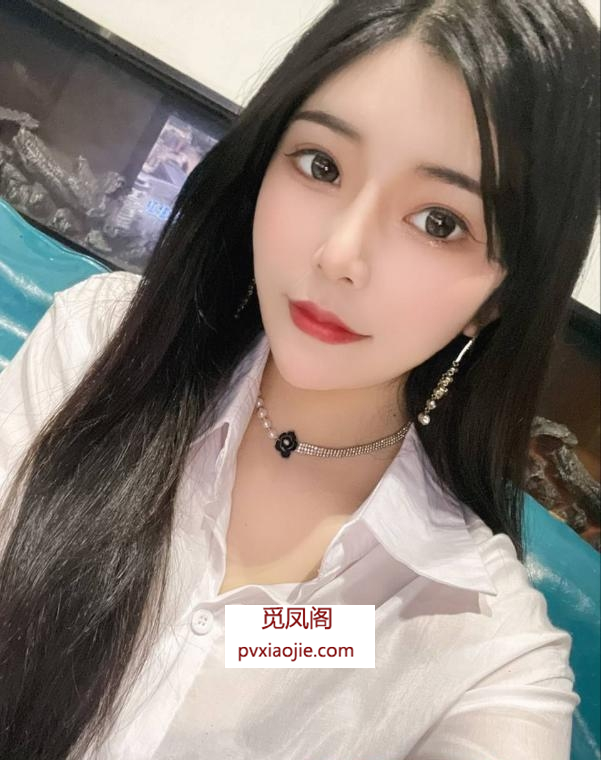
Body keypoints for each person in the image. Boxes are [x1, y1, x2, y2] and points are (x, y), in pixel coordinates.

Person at [0, 0, 599, 758]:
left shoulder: (478, 650)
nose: (340, 254)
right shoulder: (100, 346)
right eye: (321, 165)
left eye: (439, 222)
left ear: (500, 296)